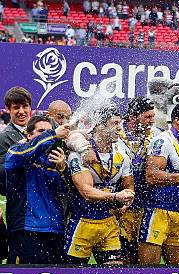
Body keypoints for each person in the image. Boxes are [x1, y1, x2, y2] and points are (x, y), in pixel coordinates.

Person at [65, 106, 135, 264]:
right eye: (115, 123)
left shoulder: (122, 156)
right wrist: (115, 197)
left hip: (109, 224)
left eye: (120, 123)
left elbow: (129, 187)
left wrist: (125, 204)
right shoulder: (79, 155)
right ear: (101, 126)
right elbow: (86, 192)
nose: (119, 127)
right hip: (82, 223)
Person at [139, 101, 179, 265]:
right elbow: (151, 176)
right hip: (158, 211)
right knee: (148, 272)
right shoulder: (163, 141)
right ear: (178, 120)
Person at [4, 116, 69, 264]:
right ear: (29, 135)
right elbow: (29, 150)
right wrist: (52, 134)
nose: (45, 134)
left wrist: (63, 168)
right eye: (41, 131)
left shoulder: (56, 159)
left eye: (48, 131)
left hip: (55, 230)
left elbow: (69, 191)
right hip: (27, 230)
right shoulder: (16, 152)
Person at [115, 97, 156, 265]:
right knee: (122, 258)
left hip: (146, 205)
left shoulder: (157, 136)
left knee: (140, 257)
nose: (152, 121)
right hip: (121, 207)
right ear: (132, 118)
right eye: (147, 117)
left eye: (153, 117)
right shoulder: (115, 134)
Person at [0, 87, 32, 195]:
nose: (21, 112)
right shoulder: (2, 138)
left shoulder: (42, 130)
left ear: (30, 107)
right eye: (16, 107)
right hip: (21, 204)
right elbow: (3, 179)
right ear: (8, 109)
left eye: (25, 106)